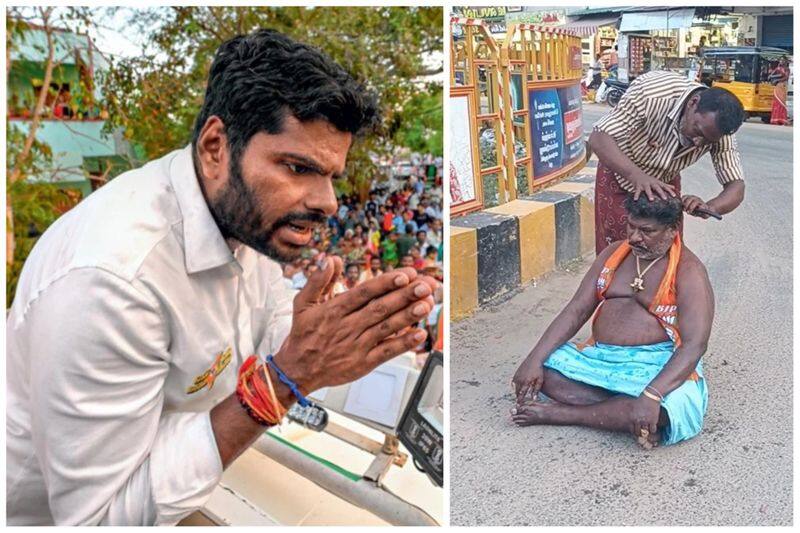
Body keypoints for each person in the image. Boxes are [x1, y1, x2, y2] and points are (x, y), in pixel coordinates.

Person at [6, 29, 437, 526]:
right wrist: (285, 382)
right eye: (298, 168)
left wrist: (336, 342)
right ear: (215, 147)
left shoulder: (244, 222)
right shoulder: (111, 281)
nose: (328, 202)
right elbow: (100, 518)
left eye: (331, 176)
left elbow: (276, 332)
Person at [511, 196, 712, 449]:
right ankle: (622, 412)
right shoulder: (613, 254)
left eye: (647, 231)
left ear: (672, 230)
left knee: (675, 404)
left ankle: (564, 414)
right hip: (600, 358)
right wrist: (533, 360)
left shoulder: (690, 271)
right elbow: (576, 310)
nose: (635, 238)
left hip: (656, 363)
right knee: (545, 371)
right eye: (631, 227)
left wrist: (652, 393)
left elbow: (694, 346)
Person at [588, 70, 746, 253]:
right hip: (620, 171)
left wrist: (710, 206)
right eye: (698, 131)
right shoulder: (652, 93)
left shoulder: (718, 131)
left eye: (707, 141)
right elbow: (599, 138)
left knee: (667, 250)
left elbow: (736, 186)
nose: (698, 143)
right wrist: (637, 176)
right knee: (618, 250)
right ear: (693, 103)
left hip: (665, 185)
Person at [769, 57, 790, 126]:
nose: (781, 61)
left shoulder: (787, 69)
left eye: (783, 60)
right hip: (778, 86)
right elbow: (771, 76)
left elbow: (786, 77)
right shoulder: (778, 68)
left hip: (783, 86)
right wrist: (776, 77)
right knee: (777, 102)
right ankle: (776, 119)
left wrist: (777, 79)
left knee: (782, 102)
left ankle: (782, 119)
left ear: (786, 61)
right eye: (780, 60)